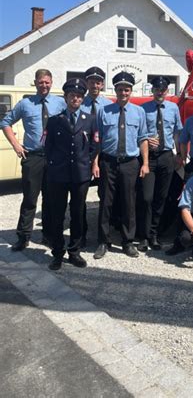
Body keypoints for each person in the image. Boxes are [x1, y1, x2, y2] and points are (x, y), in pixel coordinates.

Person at [0, 68, 66, 251]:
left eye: (47, 82)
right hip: (33, 157)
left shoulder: (60, 103)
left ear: (51, 82)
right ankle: (23, 237)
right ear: (35, 83)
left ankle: (48, 235)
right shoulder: (25, 103)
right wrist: (16, 145)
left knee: (50, 199)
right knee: (30, 198)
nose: (44, 85)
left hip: (53, 158)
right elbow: (5, 122)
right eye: (40, 82)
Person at [93, 71, 149, 259]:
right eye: (120, 89)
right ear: (115, 90)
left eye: (126, 89)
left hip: (130, 163)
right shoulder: (104, 111)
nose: (123, 93)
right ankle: (103, 241)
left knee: (129, 203)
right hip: (108, 162)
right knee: (106, 203)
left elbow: (143, 139)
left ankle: (127, 241)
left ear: (130, 91)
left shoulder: (139, 112)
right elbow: (97, 140)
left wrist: (145, 163)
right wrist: (95, 163)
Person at [44, 79, 99, 270]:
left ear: (82, 99)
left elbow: (94, 145)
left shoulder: (90, 120)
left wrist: (87, 163)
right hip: (58, 175)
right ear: (66, 97)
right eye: (71, 95)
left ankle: (74, 252)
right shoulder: (54, 120)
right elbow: (48, 147)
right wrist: (54, 166)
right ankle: (57, 253)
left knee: (77, 213)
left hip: (80, 175)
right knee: (57, 214)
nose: (75, 98)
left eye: (78, 96)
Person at [137, 76, 183, 251]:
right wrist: (147, 139)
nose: (160, 92)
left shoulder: (173, 108)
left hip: (166, 156)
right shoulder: (143, 109)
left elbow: (178, 133)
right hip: (149, 158)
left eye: (163, 90)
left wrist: (179, 154)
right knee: (146, 198)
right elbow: (138, 134)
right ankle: (143, 236)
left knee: (161, 198)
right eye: (157, 89)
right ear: (152, 90)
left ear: (167, 91)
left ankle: (153, 235)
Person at [80, 66, 113, 246]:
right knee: (80, 197)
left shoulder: (109, 105)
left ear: (102, 84)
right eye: (91, 81)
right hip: (82, 157)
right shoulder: (78, 102)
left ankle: (104, 234)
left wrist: (98, 160)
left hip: (103, 156)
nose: (94, 85)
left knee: (104, 196)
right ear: (86, 83)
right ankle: (81, 232)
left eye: (98, 82)